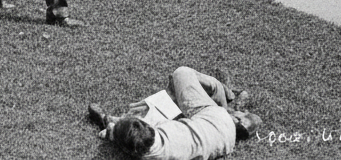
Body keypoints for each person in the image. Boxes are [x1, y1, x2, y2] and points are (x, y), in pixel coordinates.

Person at [88, 66, 260, 159]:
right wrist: (155, 102)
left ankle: (229, 104)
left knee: (173, 93)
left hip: (225, 142)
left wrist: (109, 126)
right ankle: (225, 95)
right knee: (181, 73)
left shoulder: (146, 151)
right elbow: (165, 111)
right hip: (215, 118)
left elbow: (115, 137)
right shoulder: (167, 129)